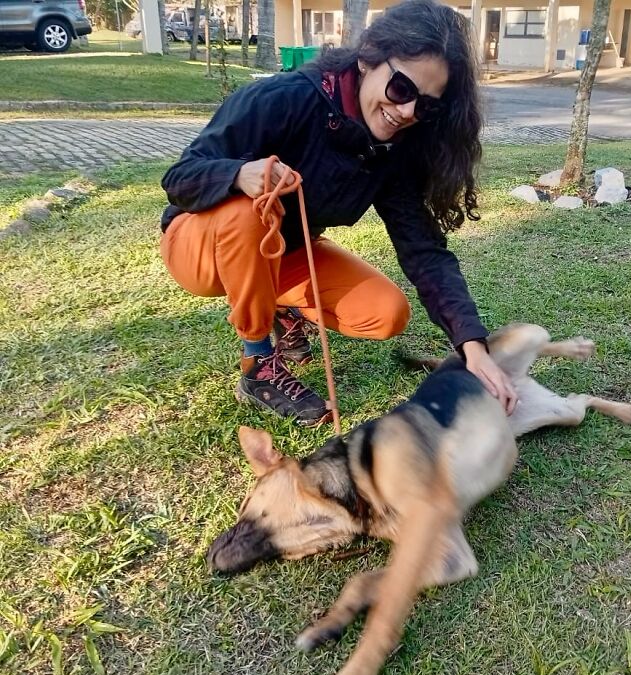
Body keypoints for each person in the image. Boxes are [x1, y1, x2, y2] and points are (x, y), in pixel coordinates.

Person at [160, 0, 518, 427]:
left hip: (286, 254)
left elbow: (424, 251)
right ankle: (257, 364)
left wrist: (472, 346)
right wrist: (238, 174)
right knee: (246, 213)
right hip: (201, 249)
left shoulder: (393, 150)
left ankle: (277, 305)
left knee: (386, 313)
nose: (406, 112)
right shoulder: (284, 99)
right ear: (368, 59)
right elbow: (180, 177)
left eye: (425, 106)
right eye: (402, 89)